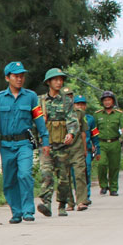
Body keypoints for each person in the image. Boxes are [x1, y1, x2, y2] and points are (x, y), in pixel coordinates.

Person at [0, 62, 51, 223]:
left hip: (24, 143)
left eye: (22, 76)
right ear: (7, 78)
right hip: (6, 145)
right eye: (16, 76)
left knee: (25, 174)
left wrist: (45, 141)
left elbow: (39, 119)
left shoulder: (31, 97)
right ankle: (16, 212)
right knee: (9, 179)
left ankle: (28, 211)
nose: (19, 79)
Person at [36, 69, 80, 217]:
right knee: (46, 174)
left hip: (62, 145)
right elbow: (33, 120)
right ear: (48, 82)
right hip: (46, 144)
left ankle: (62, 204)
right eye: (55, 80)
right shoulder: (40, 100)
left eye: (61, 80)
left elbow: (72, 120)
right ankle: (46, 203)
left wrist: (71, 133)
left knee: (63, 178)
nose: (59, 82)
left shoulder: (67, 101)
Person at [94, 90, 123, 196]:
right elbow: (94, 129)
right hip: (101, 143)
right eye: (105, 100)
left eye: (109, 100)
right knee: (101, 164)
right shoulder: (97, 115)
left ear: (113, 101)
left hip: (114, 143)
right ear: (102, 102)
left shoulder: (119, 114)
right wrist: (93, 143)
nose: (107, 102)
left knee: (114, 166)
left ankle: (113, 188)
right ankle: (103, 185)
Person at [67, 95, 98, 208]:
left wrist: (96, 148)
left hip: (85, 149)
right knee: (72, 175)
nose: (80, 106)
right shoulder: (68, 116)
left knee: (85, 172)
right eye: (78, 104)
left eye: (82, 104)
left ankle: (85, 198)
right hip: (70, 149)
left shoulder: (89, 118)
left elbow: (92, 135)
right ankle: (73, 199)